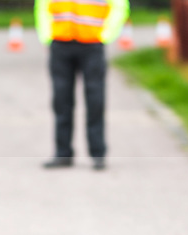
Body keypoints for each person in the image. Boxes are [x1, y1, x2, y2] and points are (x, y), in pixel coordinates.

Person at [35, 0, 129, 171]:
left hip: (92, 43)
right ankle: (62, 153)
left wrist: (105, 35)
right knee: (61, 100)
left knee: (95, 100)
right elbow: (42, 6)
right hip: (60, 42)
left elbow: (119, 6)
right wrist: (46, 35)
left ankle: (98, 154)